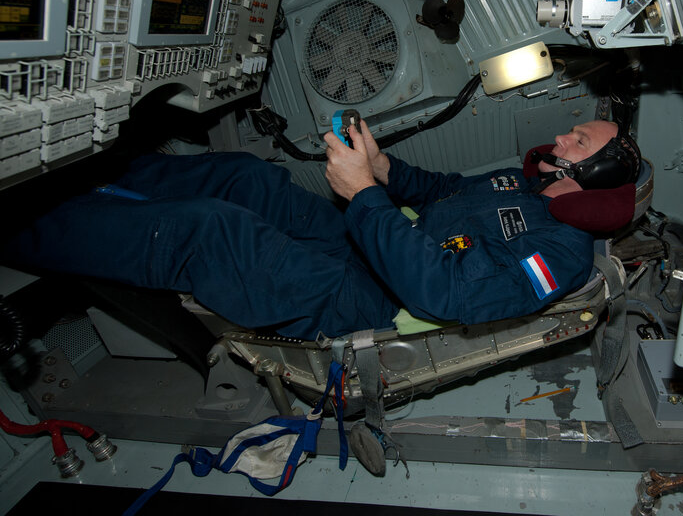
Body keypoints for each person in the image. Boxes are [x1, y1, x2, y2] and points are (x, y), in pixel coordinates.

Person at [0, 119, 641, 339]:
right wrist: (384, 167)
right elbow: (444, 192)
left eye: (577, 139)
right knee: (250, 180)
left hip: (362, 300)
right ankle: (74, 177)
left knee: (210, 232)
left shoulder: (561, 253)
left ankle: (23, 220)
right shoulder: (520, 183)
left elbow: (447, 296)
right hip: (365, 241)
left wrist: (363, 193)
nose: (559, 137)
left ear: (598, 167)